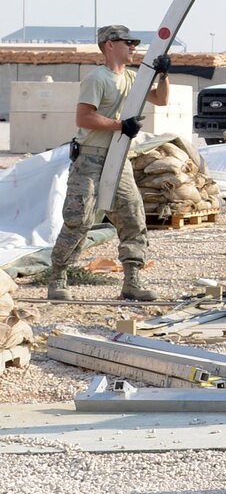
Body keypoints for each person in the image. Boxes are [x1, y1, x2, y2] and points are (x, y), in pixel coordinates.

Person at [45, 24, 171, 302]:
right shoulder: (97, 79)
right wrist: (119, 125)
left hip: (119, 157)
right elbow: (84, 118)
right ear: (110, 45)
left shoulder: (133, 78)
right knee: (79, 218)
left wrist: (163, 75)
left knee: (132, 216)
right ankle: (58, 278)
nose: (133, 47)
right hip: (90, 157)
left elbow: (161, 100)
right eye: (128, 42)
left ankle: (132, 280)